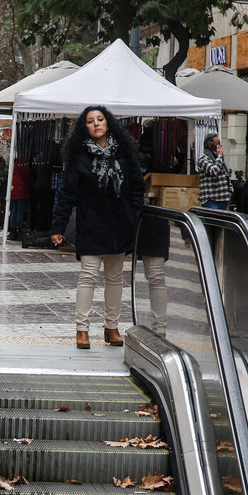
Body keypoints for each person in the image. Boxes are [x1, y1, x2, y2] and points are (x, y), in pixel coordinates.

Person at [50, 106, 144, 350]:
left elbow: (136, 187)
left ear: (108, 123)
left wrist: (134, 215)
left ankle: (112, 327)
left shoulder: (124, 154)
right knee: (88, 276)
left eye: (100, 119)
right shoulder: (80, 157)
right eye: (90, 121)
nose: (96, 124)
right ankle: (82, 329)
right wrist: (58, 226)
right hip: (91, 223)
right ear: (85, 127)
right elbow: (67, 193)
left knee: (115, 278)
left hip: (120, 224)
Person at [197, 132, 233, 210]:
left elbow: (226, 174)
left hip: (224, 198)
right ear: (210, 146)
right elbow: (214, 171)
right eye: (218, 144)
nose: (220, 146)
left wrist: (230, 190)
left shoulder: (218, 158)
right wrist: (220, 156)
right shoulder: (203, 159)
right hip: (211, 200)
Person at [8, 159, 33, 240]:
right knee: (20, 210)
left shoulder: (15, 161)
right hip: (21, 188)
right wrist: (32, 182)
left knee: (14, 210)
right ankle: (19, 229)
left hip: (14, 187)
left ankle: (13, 229)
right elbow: (26, 175)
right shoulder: (22, 161)